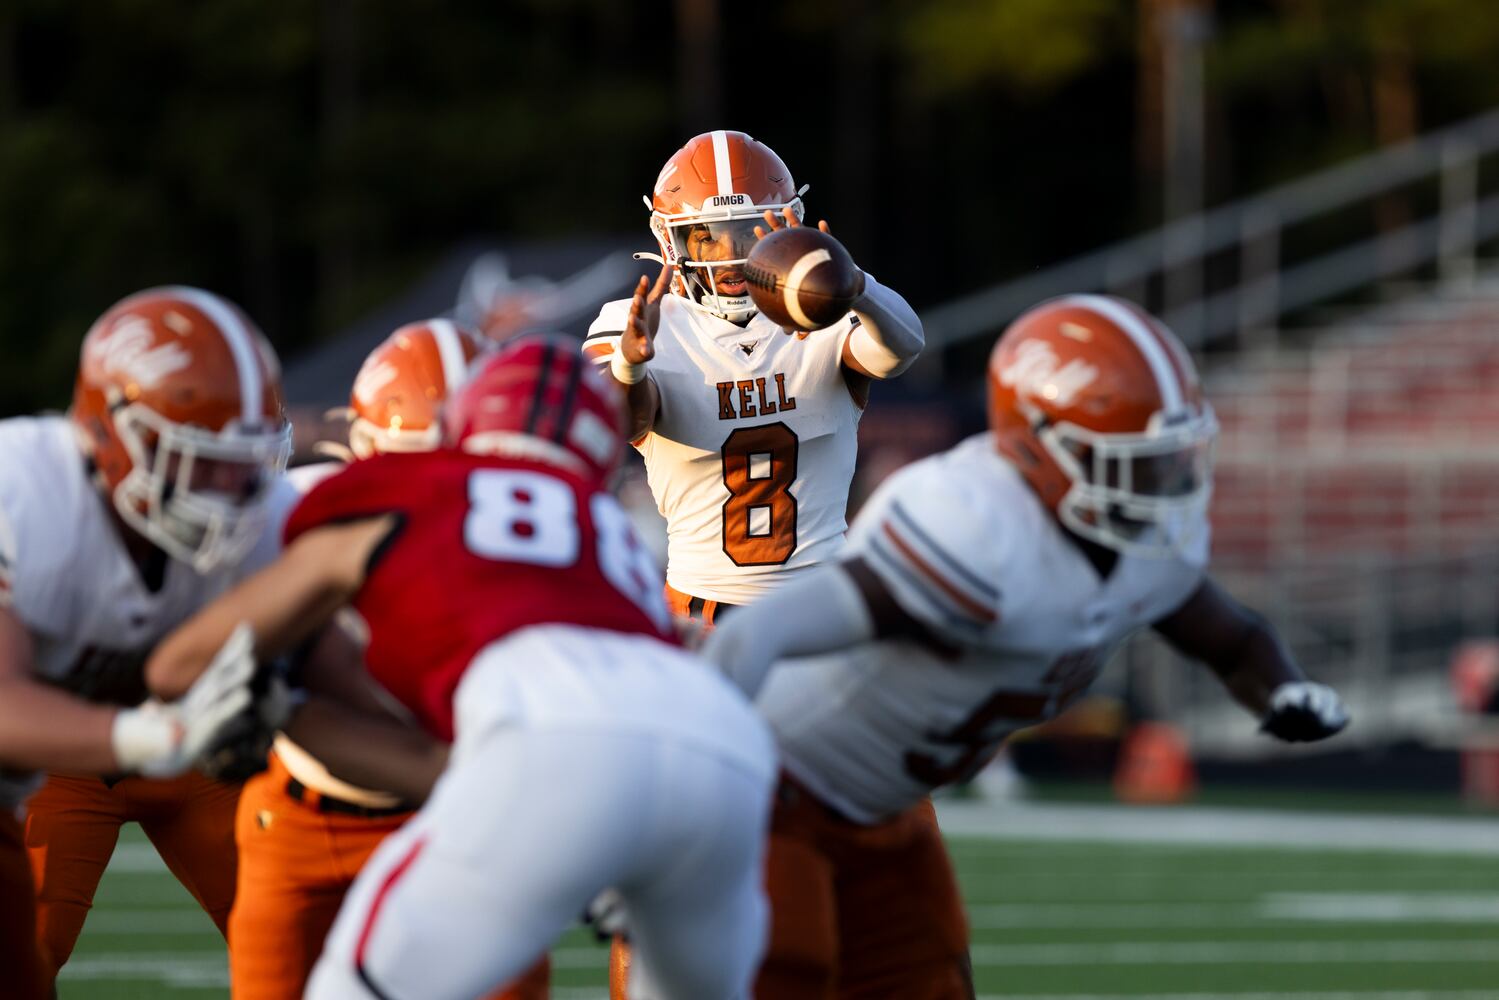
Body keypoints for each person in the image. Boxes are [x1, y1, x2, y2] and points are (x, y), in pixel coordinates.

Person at [700, 294, 1352, 998]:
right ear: (1039, 443)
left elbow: (1231, 638)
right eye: (1132, 464)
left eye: (1168, 460)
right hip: (770, 794)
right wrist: (687, 808)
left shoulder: (1139, 545)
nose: (1163, 487)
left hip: (885, 815)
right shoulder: (973, 529)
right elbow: (754, 634)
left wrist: (1282, 689)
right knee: (779, 973)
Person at [146, 335, 778, 1000]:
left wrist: (252, 694)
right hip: (723, 751)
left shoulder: (411, 483)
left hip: (552, 748)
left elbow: (181, 665)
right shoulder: (608, 532)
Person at [196, 319, 548, 1000]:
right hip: (305, 818)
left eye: (468, 458)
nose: (445, 484)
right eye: (422, 459)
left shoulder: (538, 532)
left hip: (464, 816)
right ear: (364, 449)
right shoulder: (294, 513)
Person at [0, 286, 294, 995]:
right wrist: (152, 736)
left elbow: (337, 685)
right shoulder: (24, 494)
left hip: (200, 761)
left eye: (244, 461)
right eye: (202, 460)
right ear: (113, 435)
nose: (232, 489)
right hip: (50, 766)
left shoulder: (268, 518)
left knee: (306, 957)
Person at [583, 129, 925, 624]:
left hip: (823, 598)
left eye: (748, 230)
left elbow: (902, 350)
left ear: (788, 228)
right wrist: (630, 362)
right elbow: (613, 421)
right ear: (670, 238)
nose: (727, 253)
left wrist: (855, 286)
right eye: (705, 234)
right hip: (701, 608)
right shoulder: (641, 320)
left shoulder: (821, 313)